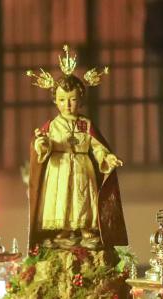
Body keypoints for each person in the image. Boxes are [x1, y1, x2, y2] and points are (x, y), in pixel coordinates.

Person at [26, 46, 128, 250]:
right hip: (59, 168)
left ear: (80, 99)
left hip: (82, 167)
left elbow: (97, 147)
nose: (68, 105)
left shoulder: (86, 125)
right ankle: (63, 230)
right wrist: (42, 145)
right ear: (55, 100)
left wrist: (107, 158)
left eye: (72, 99)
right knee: (61, 197)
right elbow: (41, 143)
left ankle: (85, 230)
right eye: (62, 100)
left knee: (82, 198)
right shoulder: (52, 126)